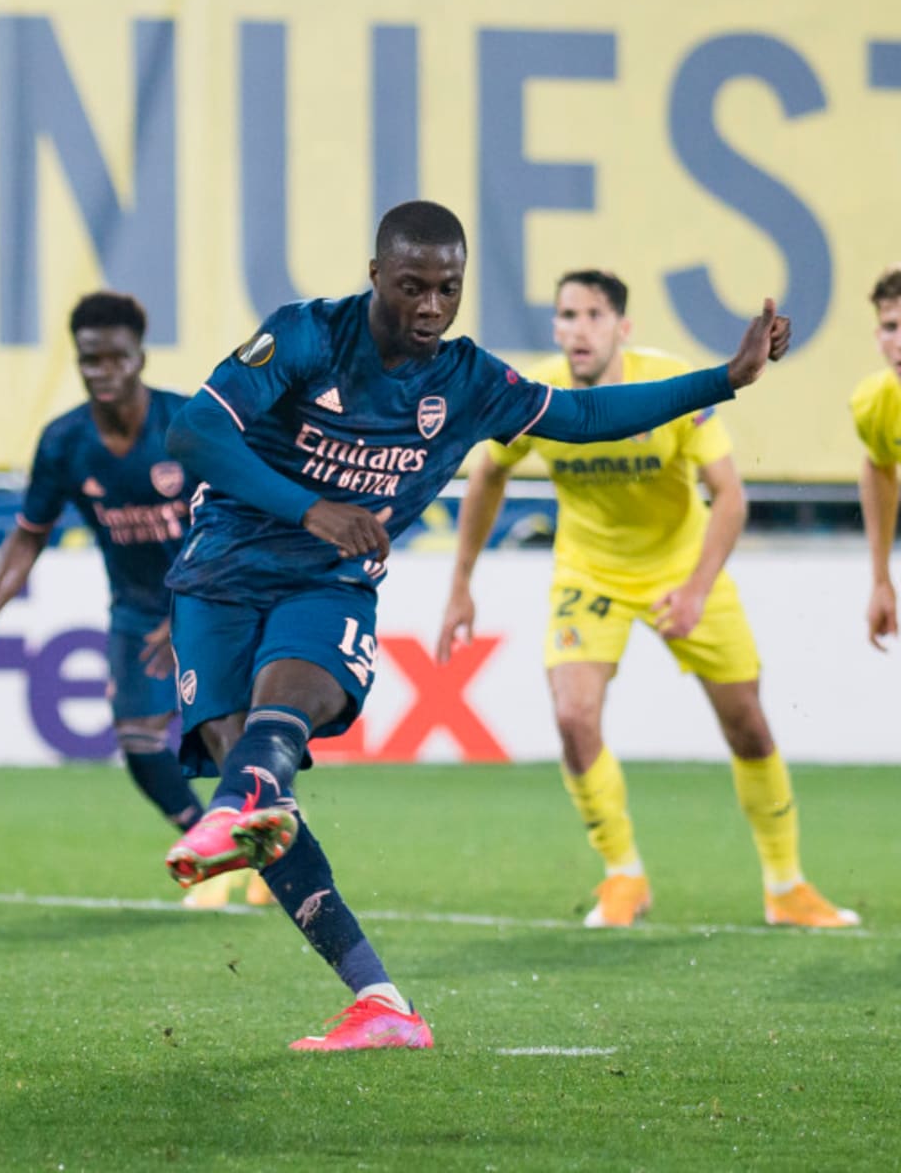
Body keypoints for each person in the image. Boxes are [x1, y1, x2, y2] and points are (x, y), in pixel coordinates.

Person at [159, 202, 793, 1052]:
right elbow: (194, 431)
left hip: (330, 576)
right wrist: (311, 507)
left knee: (271, 743)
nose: (431, 306)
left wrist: (727, 377)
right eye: (412, 286)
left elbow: (582, 418)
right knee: (261, 792)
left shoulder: (467, 381)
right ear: (375, 275)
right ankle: (379, 999)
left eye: (448, 288)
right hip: (219, 572)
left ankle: (240, 802)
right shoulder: (307, 336)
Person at [438, 269, 859, 931]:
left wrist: (694, 592)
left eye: (594, 315)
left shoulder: (670, 385)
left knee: (747, 723)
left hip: (684, 567)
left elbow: (730, 497)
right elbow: (488, 474)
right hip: (590, 573)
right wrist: (461, 583)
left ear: (623, 328)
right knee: (573, 717)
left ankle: (786, 885)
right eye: (567, 315)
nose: (579, 329)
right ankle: (623, 875)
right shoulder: (536, 395)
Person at [0, 291, 270, 909]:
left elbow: (245, 516)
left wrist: (190, 607)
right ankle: (212, 844)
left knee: (228, 729)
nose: (102, 371)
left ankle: (271, 850)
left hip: (215, 597)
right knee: (139, 740)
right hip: (137, 610)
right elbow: (29, 535)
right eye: (89, 359)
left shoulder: (185, 427)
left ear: (140, 357)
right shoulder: (64, 442)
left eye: (116, 358)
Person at [850, 265, 901, 651]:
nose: (900, 342)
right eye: (891, 326)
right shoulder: (876, 403)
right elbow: (879, 466)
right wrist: (881, 580)